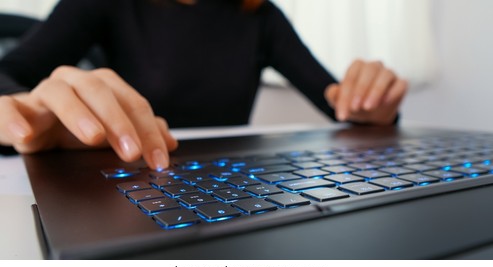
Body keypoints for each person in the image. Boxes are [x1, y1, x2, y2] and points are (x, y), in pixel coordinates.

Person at [0, 0, 407, 170]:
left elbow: (339, 101)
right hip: (129, 180)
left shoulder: (259, 15)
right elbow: (10, 74)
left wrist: (372, 105)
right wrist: (22, 111)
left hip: (238, 193)